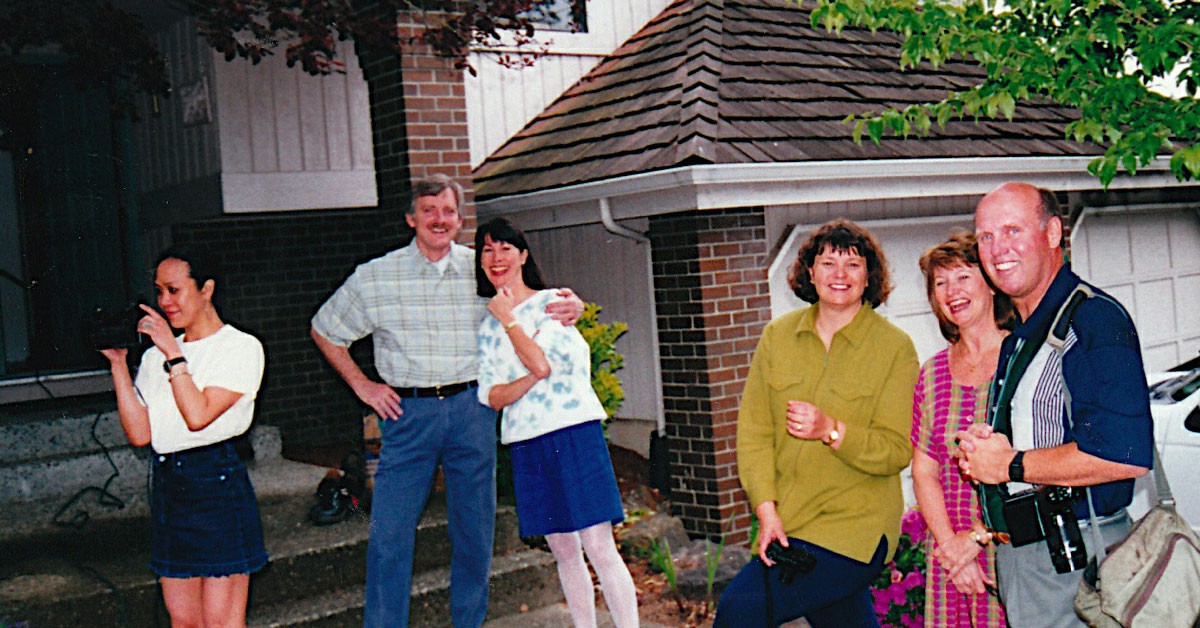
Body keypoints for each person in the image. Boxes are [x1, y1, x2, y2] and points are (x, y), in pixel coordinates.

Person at [309, 174, 583, 628]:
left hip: (472, 410)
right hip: (408, 415)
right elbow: (325, 329)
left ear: (459, 220)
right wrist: (363, 386)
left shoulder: (483, 269)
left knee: (474, 533)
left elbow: (532, 301)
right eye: (429, 210)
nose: (439, 220)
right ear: (411, 218)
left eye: (448, 211)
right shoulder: (376, 276)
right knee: (390, 536)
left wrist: (572, 305)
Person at [955, 182, 1153, 628]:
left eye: (1012, 230)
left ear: (1051, 233)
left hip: (1076, 565)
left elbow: (1125, 456)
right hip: (1028, 563)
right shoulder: (1021, 337)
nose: (997, 248)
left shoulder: (1093, 319)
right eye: (986, 236)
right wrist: (989, 449)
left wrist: (1009, 465)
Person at [715, 219, 919, 627]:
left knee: (741, 609)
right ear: (810, 272)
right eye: (828, 263)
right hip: (791, 522)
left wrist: (832, 430)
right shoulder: (778, 336)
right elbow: (754, 435)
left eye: (853, 265)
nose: (839, 275)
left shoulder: (894, 348)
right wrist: (766, 512)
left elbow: (896, 450)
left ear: (869, 278)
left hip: (854, 529)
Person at [474, 217, 638, 628]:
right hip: (527, 442)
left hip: (573, 433)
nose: (496, 258)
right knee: (563, 550)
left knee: (599, 546)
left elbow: (541, 363)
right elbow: (491, 396)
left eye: (505, 248)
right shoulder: (486, 326)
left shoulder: (554, 303)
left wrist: (510, 322)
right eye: (488, 250)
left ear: (523, 256)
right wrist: (528, 379)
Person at [101, 246, 267, 627]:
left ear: (206, 289)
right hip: (171, 487)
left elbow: (198, 415)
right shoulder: (154, 358)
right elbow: (140, 434)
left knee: (221, 622)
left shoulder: (240, 348)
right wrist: (119, 365)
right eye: (159, 291)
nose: (164, 302)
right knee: (184, 620)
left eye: (174, 290)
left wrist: (174, 354)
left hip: (216, 483)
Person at [912, 231, 1014, 627]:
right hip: (950, 555)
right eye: (940, 283)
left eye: (963, 277)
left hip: (1010, 550)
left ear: (991, 284)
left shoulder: (1020, 358)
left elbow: (1036, 466)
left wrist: (976, 538)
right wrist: (953, 551)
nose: (951, 291)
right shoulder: (932, 372)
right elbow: (924, 471)